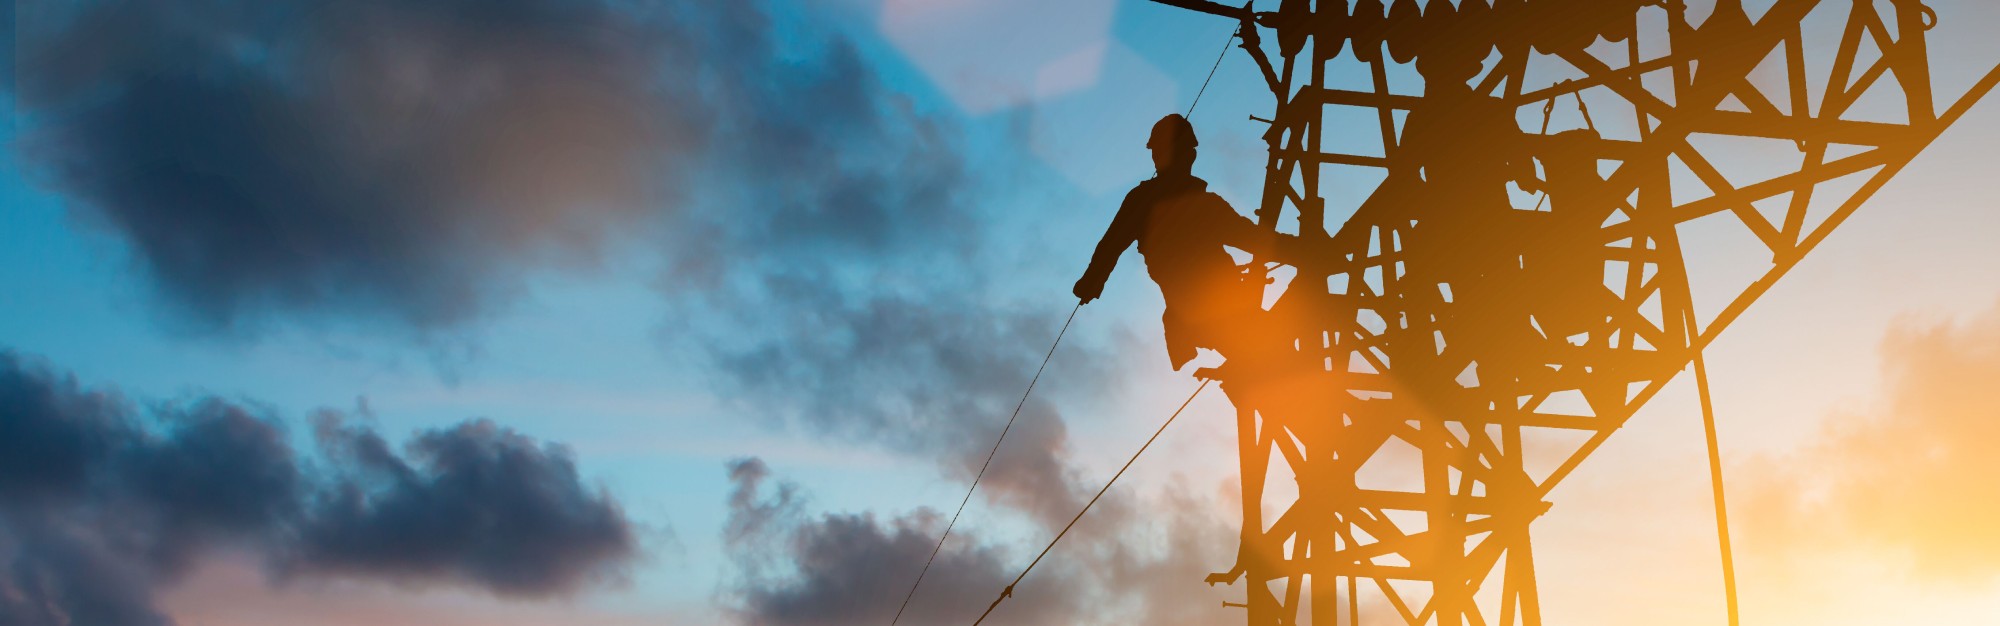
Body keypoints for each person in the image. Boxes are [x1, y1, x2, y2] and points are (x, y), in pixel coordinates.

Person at [1073, 114, 1293, 371]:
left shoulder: (1158, 201)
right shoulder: (1176, 203)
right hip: (1214, 309)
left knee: (1272, 354)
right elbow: (1255, 240)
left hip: (1212, 307)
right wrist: (1307, 251)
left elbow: (1111, 245)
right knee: (1272, 355)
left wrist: (1092, 282)